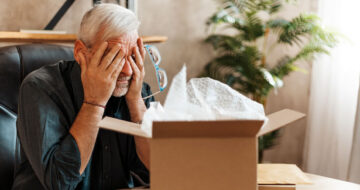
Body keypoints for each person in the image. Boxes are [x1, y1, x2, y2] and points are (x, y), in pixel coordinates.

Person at [12, 3, 153, 190]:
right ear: (81, 53)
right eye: (115, 57)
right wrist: (94, 102)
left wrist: (136, 103)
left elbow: (162, 172)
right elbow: (60, 183)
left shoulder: (137, 90)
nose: (127, 70)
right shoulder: (40, 87)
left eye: (133, 57)